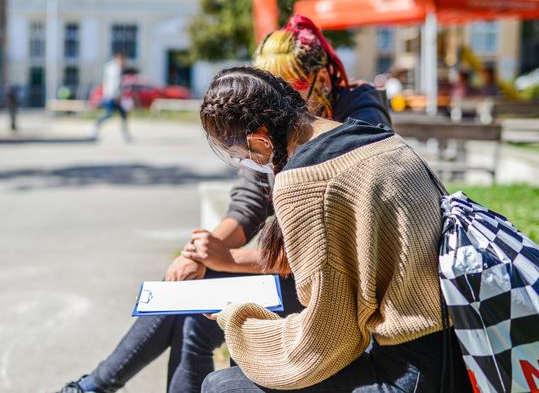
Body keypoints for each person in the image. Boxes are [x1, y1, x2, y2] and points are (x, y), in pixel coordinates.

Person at [56, 15, 391, 393]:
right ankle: (91, 387)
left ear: (323, 82)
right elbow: (249, 202)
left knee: (197, 316)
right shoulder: (277, 121)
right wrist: (201, 253)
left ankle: (91, 388)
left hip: (333, 292)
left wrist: (226, 259)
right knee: (191, 297)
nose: (280, 105)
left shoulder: (355, 120)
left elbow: (325, 245)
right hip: (295, 271)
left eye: (289, 91)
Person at [197, 66, 473, 392]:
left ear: (259, 140)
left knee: (220, 385)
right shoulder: (380, 140)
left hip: (411, 377)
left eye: (241, 155)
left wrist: (239, 321)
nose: (250, 164)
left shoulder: (304, 181)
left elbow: (328, 339)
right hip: (458, 353)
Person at [89, 53, 131, 142]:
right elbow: (114, 84)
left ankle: (125, 134)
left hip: (111, 95)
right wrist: (117, 96)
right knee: (109, 114)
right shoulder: (115, 69)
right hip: (112, 96)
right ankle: (94, 128)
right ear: (119, 59)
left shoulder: (111, 67)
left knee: (122, 114)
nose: (124, 62)